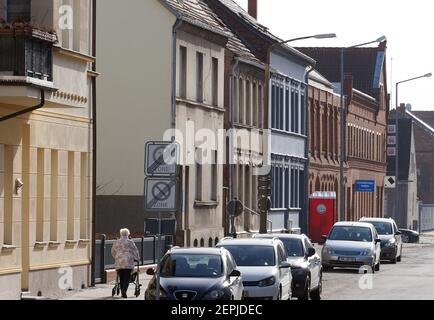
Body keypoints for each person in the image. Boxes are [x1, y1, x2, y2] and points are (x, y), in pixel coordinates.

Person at [111, 228, 140, 298]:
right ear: (128, 234)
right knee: (127, 277)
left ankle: (122, 290)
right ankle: (124, 290)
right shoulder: (130, 242)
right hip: (128, 262)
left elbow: (113, 251)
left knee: (121, 277)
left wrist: (116, 257)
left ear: (120, 234)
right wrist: (137, 258)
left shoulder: (117, 242)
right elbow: (135, 251)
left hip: (119, 261)